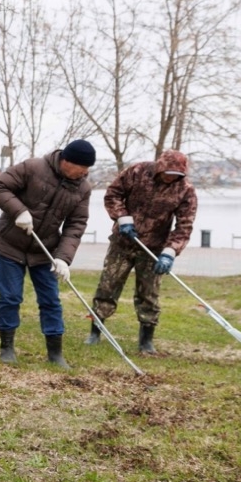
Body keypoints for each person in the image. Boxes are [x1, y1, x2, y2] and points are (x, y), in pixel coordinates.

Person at [0, 139, 97, 368]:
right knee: (10, 298)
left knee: (51, 302)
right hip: (10, 244)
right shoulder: (33, 168)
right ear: (68, 161)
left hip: (44, 250)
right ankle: (7, 348)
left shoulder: (82, 188)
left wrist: (63, 258)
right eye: (83, 168)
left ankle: (55, 353)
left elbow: (76, 225)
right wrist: (18, 211)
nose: (86, 173)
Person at [87, 149, 198, 355]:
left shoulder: (185, 190)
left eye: (176, 175)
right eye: (167, 173)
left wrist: (170, 252)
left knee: (149, 295)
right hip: (123, 242)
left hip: (153, 250)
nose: (170, 178)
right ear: (160, 167)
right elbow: (113, 194)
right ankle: (95, 332)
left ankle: (146, 341)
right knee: (108, 287)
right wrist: (122, 218)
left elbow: (184, 226)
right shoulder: (138, 171)